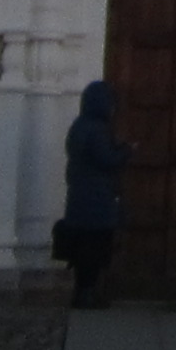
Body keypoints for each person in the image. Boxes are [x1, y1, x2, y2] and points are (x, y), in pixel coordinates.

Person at [51, 76, 129, 307]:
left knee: (83, 248)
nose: (113, 108)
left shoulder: (79, 126)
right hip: (96, 198)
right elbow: (106, 159)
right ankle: (87, 294)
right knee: (93, 249)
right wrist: (126, 152)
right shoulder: (95, 129)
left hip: (79, 196)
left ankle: (82, 292)